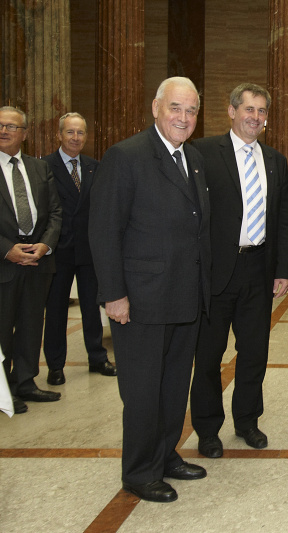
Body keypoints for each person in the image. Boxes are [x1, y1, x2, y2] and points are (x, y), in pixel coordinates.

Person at [89, 77, 211, 503]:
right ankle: (140, 471)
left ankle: (164, 455)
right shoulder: (126, 156)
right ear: (156, 108)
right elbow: (104, 230)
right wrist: (113, 294)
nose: (183, 117)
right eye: (176, 108)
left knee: (174, 386)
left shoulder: (193, 158)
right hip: (141, 300)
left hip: (184, 295)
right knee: (142, 391)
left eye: (191, 110)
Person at [190, 83, 288, 457]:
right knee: (209, 355)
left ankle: (247, 421)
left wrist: (282, 268)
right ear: (232, 111)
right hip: (215, 271)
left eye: (262, 111)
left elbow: (283, 218)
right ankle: (207, 429)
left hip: (258, 269)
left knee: (254, 352)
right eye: (249, 109)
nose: (256, 117)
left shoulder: (275, 160)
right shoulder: (202, 152)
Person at [43, 112, 116, 386]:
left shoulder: (94, 167)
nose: (76, 137)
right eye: (70, 132)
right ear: (59, 135)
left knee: (91, 308)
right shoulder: (45, 166)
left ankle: (97, 358)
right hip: (58, 252)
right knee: (56, 311)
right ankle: (55, 365)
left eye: (81, 132)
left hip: (88, 252)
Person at [0, 106, 62, 414]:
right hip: (4, 263)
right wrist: (6, 249)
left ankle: (24, 382)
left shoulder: (39, 168)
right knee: (2, 329)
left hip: (38, 262)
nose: (4, 131)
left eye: (11, 126)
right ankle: (2, 390)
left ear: (24, 133)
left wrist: (45, 245)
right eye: (0, 125)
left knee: (30, 325)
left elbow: (55, 212)